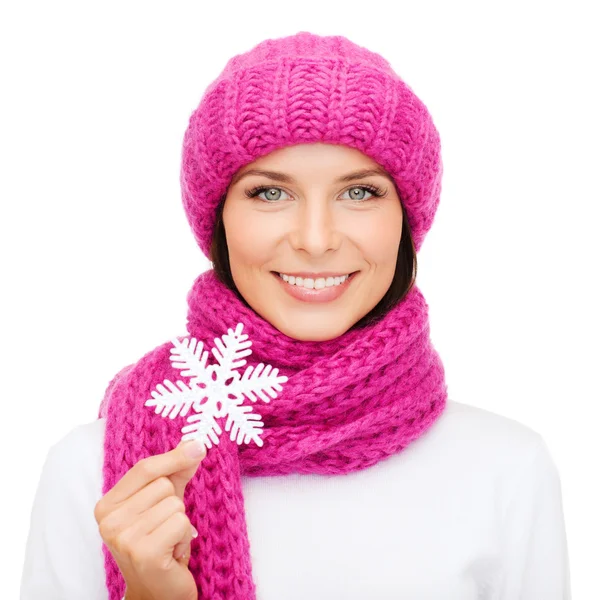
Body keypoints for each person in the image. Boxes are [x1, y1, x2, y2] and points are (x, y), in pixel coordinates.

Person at [20, 31, 571, 600]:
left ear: (406, 221)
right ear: (219, 222)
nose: (315, 239)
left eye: (359, 193)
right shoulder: (98, 473)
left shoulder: (508, 470)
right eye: (268, 194)